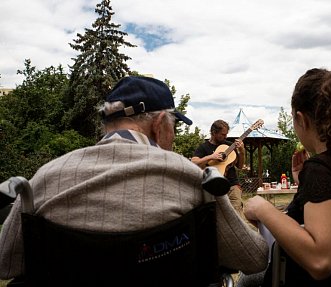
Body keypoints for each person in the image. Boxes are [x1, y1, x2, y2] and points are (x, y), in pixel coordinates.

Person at [0, 76, 268, 280]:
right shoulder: (188, 177)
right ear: (160, 122)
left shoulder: (44, 179)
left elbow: (5, 263)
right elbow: (254, 258)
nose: (173, 136)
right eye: (174, 126)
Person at [238, 68, 331, 286]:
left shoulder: (320, 169)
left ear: (301, 119)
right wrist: (303, 183)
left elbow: (321, 261)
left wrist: (263, 209)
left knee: (248, 278)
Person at [192, 120, 246, 216]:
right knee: (217, 217)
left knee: (237, 217)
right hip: (214, 187)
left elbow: (240, 166)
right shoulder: (204, 147)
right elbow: (194, 162)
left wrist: (242, 151)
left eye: (226, 134)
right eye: (223, 134)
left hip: (233, 187)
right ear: (214, 133)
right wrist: (211, 157)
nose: (225, 137)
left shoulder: (229, 145)